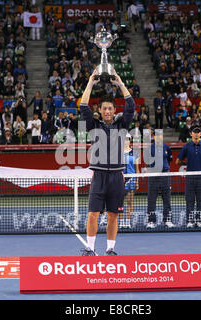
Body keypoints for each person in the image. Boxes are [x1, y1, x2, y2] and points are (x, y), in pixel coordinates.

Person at [80, 69, 135, 256]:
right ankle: (90, 248)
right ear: (100, 111)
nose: (108, 111)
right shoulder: (93, 126)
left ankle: (110, 249)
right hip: (99, 176)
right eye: (104, 108)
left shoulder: (121, 125)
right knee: (92, 214)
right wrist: (90, 83)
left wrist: (120, 84)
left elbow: (131, 105)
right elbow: (83, 106)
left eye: (110, 108)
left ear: (114, 111)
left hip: (117, 177)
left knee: (113, 215)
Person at [176, 126, 201, 228]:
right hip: (190, 177)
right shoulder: (186, 146)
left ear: (200, 134)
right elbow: (177, 161)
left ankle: (200, 220)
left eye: (198, 132)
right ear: (191, 134)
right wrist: (187, 163)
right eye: (195, 132)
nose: (197, 134)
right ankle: (190, 221)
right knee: (190, 200)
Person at [146, 129, 174, 229]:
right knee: (151, 199)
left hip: (165, 176)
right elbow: (147, 162)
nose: (158, 137)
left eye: (160, 136)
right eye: (157, 136)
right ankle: (151, 221)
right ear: (154, 137)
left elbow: (169, 159)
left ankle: (168, 220)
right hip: (153, 176)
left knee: (166, 199)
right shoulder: (149, 148)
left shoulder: (166, 147)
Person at [120, 134, 140, 229]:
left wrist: (137, 181)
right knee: (119, 202)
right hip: (120, 180)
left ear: (130, 140)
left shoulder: (135, 153)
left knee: (130, 201)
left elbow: (137, 169)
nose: (125, 141)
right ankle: (120, 222)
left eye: (127, 139)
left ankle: (127, 222)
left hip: (131, 179)